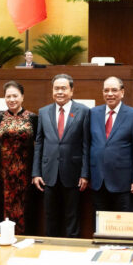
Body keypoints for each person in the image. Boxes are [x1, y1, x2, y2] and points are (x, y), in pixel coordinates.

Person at [32, 74, 90, 237]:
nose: (59, 92)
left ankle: (72, 247)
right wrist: (36, 172)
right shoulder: (43, 112)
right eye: (56, 88)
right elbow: (39, 143)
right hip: (48, 172)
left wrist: (85, 174)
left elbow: (86, 144)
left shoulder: (83, 111)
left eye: (63, 88)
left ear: (71, 91)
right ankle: (51, 246)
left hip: (73, 172)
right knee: (50, 216)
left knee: (72, 216)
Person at [0, 81, 38, 234]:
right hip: (4, 174)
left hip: (26, 174)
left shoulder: (33, 118)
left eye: (15, 96)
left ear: (22, 97)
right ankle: (6, 238)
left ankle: (25, 241)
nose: (12, 99)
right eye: (8, 96)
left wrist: (37, 172)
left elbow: (39, 147)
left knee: (26, 210)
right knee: (4, 209)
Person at [89, 76, 133, 212]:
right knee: (100, 221)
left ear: (122, 92)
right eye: (106, 90)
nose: (110, 94)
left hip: (123, 181)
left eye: (114, 90)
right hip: (98, 180)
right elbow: (88, 144)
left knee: (122, 221)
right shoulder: (93, 113)